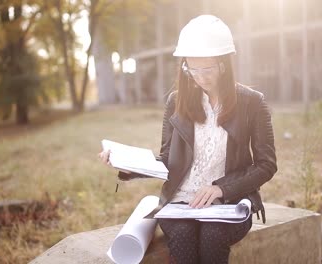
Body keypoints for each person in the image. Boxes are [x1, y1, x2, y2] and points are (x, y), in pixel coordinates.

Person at [99, 14, 277, 264]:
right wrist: (124, 164)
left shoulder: (252, 102)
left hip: (230, 201)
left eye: (207, 69)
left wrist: (221, 189)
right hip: (180, 202)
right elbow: (167, 159)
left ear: (224, 63)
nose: (200, 77)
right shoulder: (176, 102)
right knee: (182, 237)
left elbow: (266, 165)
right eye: (192, 69)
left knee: (212, 236)